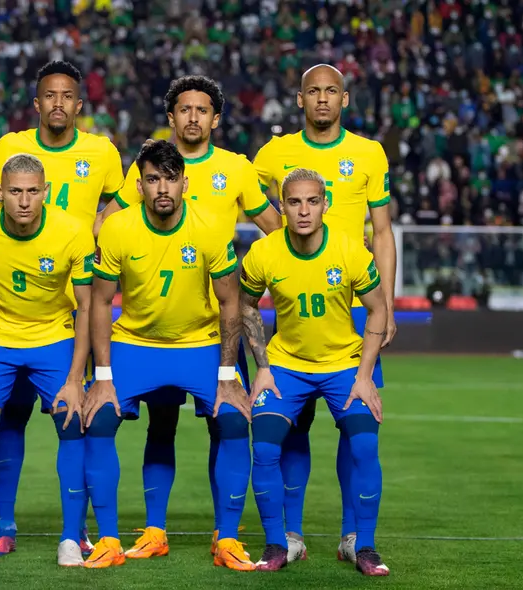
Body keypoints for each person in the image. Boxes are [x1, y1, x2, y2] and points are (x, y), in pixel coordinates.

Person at [96, 75, 282, 559]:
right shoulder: (146, 166)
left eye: (203, 110)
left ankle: (227, 538)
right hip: (147, 328)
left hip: (207, 331)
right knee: (160, 426)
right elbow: (107, 225)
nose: (193, 117)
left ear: (215, 119)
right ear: (172, 115)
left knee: (228, 423)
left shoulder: (235, 170)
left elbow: (277, 230)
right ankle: (153, 532)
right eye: (184, 109)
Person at [0, 59, 124, 556]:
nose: (58, 103)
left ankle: (73, 535)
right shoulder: (9, 149)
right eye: (48, 95)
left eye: (67, 96)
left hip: (59, 310)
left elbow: (119, 204)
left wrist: (98, 233)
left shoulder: (101, 152)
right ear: (37, 103)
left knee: (75, 418)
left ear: (79, 103)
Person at [84, 140, 253, 571]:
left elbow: (230, 302)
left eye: (170, 179)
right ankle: (114, 538)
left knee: (233, 420)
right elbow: (101, 303)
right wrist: (102, 375)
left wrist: (229, 373)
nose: (163, 188)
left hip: (199, 344)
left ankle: (228, 538)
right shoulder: (118, 229)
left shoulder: (212, 226)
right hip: (136, 345)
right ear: (138, 185)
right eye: (153, 179)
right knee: (99, 419)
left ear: (185, 183)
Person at [252, 63, 395, 562]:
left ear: (345, 99)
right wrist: (280, 241)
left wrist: (388, 302)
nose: (322, 100)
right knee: (293, 425)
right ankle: (289, 535)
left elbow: (381, 232)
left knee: (355, 424)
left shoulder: (368, 152)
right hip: (298, 302)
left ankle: (354, 535)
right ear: (299, 99)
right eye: (313, 91)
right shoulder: (274, 154)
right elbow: (246, 198)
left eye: (331, 91)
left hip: (356, 302)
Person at [239, 167, 389, 576]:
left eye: (312, 201)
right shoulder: (264, 252)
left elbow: (378, 309)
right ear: (282, 207)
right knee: (266, 448)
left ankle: (365, 546)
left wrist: (364, 375)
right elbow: (246, 305)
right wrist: (263, 367)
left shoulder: (351, 251)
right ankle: (278, 543)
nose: (303, 210)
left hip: (344, 366)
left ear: (326, 204)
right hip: (286, 366)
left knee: (363, 447)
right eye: (293, 202)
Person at [0, 153, 95, 567]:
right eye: (14, 191)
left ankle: (71, 537)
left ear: (46, 192)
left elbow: (87, 308)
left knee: (73, 425)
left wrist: (76, 376)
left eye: (32, 191)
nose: (23, 200)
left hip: (53, 336)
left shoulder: (72, 232)